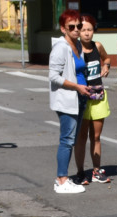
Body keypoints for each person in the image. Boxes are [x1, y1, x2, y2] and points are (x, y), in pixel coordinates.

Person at [49, 10, 90, 194]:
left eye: (78, 26)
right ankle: (61, 179)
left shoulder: (78, 45)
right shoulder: (61, 47)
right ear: (63, 29)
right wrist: (76, 87)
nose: (76, 30)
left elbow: (80, 71)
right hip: (67, 99)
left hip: (80, 98)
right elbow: (53, 77)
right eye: (71, 27)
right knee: (66, 140)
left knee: (71, 139)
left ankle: (64, 178)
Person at [73, 15, 112, 185]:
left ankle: (96, 171)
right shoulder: (75, 49)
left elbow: (107, 58)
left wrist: (106, 66)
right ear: (78, 31)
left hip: (98, 96)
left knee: (96, 136)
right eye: (83, 30)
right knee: (81, 137)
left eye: (90, 29)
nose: (87, 33)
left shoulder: (98, 46)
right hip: (82, 96)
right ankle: (81, 172)